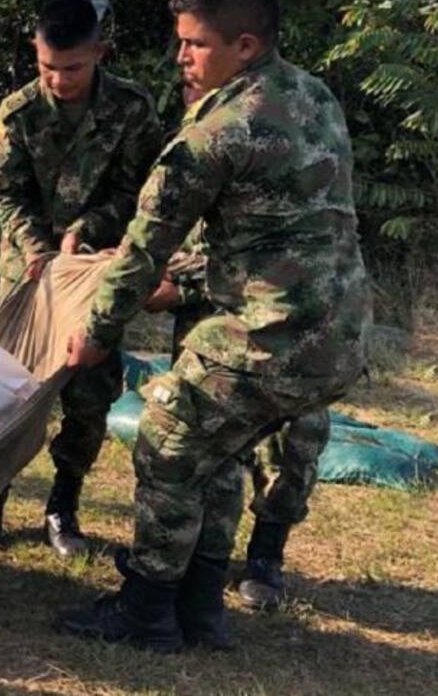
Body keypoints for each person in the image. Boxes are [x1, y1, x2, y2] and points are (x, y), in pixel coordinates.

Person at [61, 0, 371, 652]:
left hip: (274, 338)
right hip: (342, 334)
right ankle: (200, 611)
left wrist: (96, 331)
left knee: (169, 435)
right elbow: (278, 226)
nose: (181, 58)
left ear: (247, 44)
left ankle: (146, 612)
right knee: (217, 450)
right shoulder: (313, 98)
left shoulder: (220, 128)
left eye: (195, 45)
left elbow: (147, 244)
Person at [0, 0, 163, 553]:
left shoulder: (132, 109)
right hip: (27, 275)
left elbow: (141, 191)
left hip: (94, 271)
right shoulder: (18, 113)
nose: (58, 80)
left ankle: (64, 505)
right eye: (46, 67)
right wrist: (36, 246)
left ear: (100, 53)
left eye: (73, 68)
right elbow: (5, 193)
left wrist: (88, 228)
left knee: (89, 392)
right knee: (8, 391)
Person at [151, 228, 330, 610]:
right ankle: (199, 565)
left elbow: (281, 259)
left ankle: (265, 558)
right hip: (209, 340)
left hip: (284, 337)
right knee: (206, 454)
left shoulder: (298, 184)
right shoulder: (184, 179)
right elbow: (166, 249)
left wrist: (181, 284)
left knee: (294, 442)